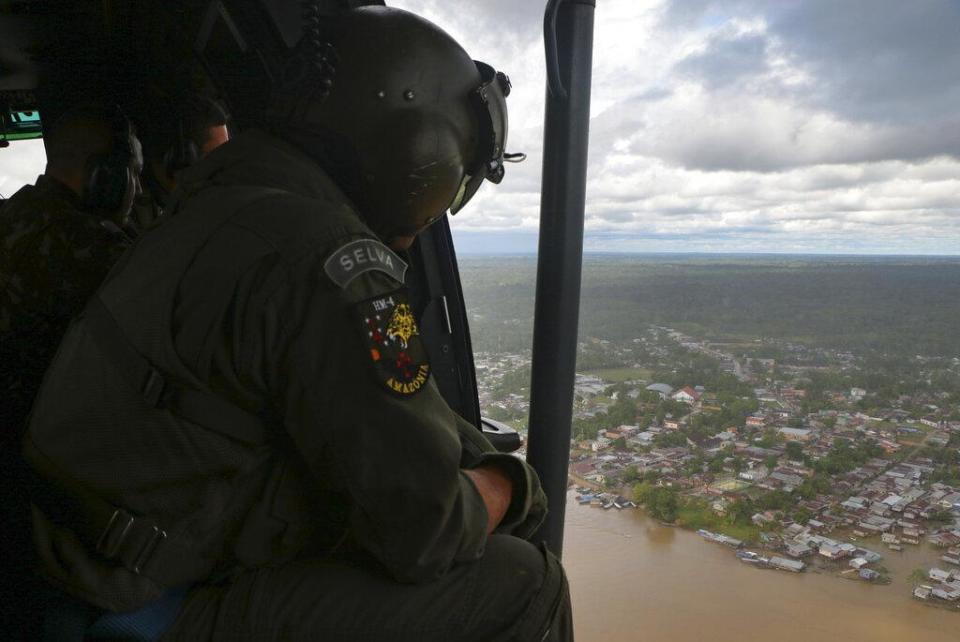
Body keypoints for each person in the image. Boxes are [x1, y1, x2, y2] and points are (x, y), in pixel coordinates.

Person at [22, 7, 572, 641]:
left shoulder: (214, 200)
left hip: (71, 560)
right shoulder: (333, 258)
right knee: (527, 580)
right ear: (416, 153)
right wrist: (511, 483)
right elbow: (427, 533)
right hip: (138, 603)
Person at [0, 103, 142, 637]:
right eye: (131, 175)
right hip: (52, 489)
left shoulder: (10, 216)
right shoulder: (99, 250)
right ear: (106, 175)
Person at [129, 92, 230, 228]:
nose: (222, 170)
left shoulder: (173, 205)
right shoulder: (134, 214)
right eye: (215, 160)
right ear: (183, 159)